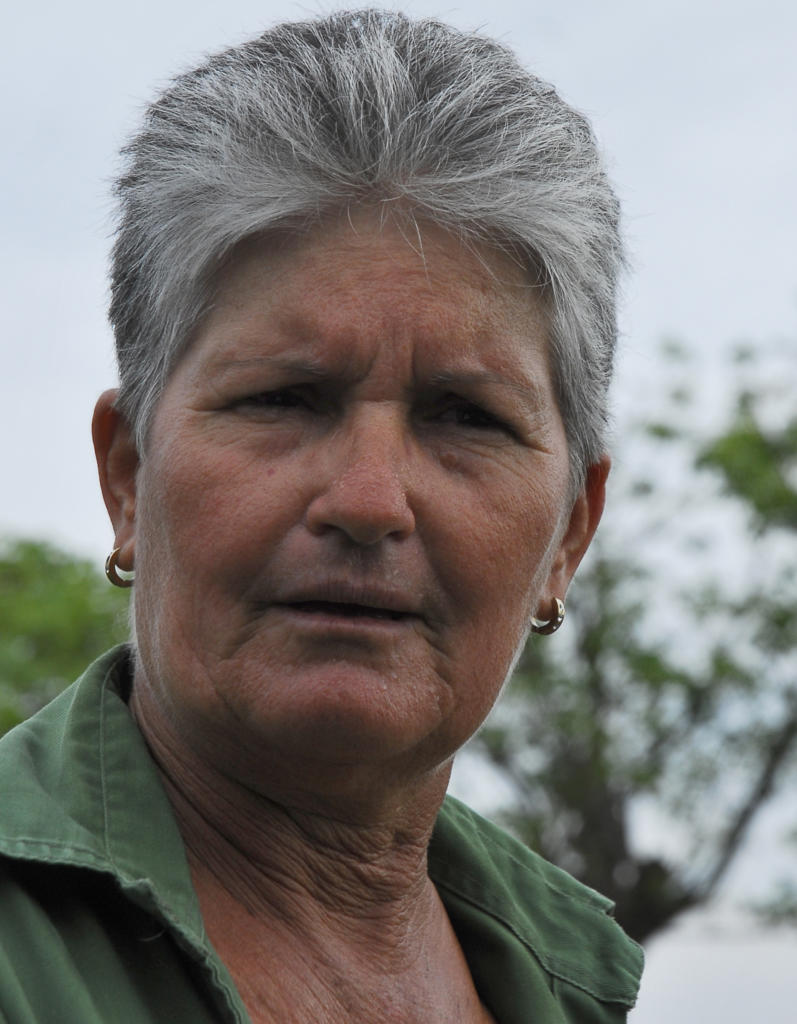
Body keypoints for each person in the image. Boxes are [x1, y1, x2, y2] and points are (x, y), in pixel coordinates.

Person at [0, 9, 643, 1023]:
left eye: (463, 416)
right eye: (282, 399)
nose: (366, 501)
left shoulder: (568, 985)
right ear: (127, 478)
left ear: (568, 535)